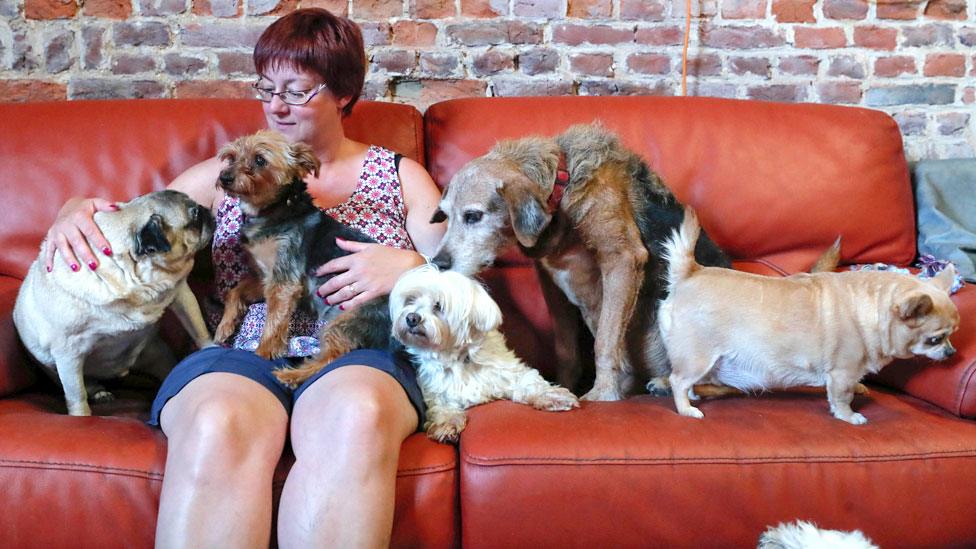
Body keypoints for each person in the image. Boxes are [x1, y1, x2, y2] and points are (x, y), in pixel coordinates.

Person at [42, 8, 444, 547]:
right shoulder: (219, 175)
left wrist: (412, 266)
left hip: (356, 348)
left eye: (297, 90)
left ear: (345, 92)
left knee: (358, 415)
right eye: (266, 87)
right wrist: (72, 209)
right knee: (216, 421)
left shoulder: (399, 176)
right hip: (239, 348)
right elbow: (133, 217)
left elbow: (465, 269)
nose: (276, 105)